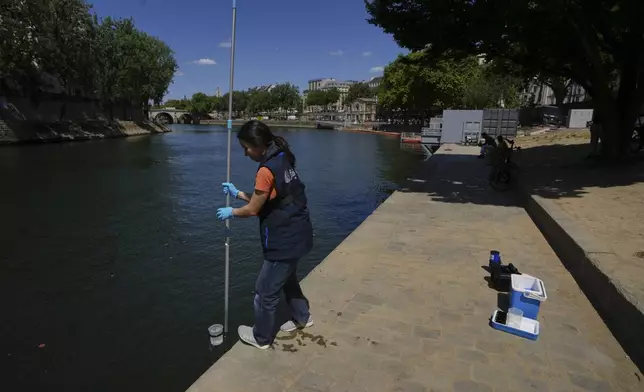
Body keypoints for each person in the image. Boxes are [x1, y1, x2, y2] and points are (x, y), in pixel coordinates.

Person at [215, 120, 314, 349]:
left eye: (246, 148)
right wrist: (238, 193)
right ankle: (303, 317)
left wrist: (232, 212)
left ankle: (262, 337)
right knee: (288, 280)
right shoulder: (282, 156)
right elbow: (271, 198)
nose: (245, 153)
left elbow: (253, 209)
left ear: (258, 144)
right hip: (301, 232)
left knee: (264, 292)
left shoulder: (265, 170)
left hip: (284, 240)